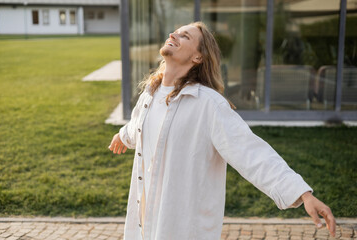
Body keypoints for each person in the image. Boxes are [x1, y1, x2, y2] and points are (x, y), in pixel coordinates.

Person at [109, 22, 336, 240]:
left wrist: (302, 193)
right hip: (144, 225)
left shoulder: (209, 105)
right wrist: (122, 135)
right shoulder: (149, 95)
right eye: (175, 32)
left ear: (197, 57)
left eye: (184, 36)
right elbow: (137, 126)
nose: (173, 35)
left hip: (182, 228)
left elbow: (251, 153)